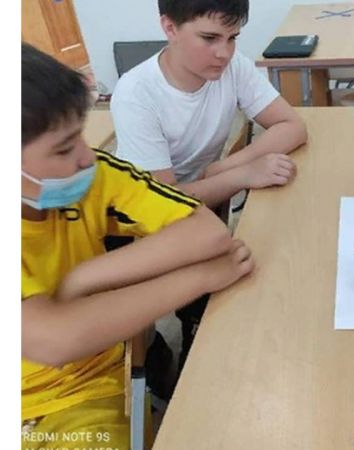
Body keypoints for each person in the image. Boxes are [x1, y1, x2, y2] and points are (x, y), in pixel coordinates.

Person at [21, 43, 254, 449]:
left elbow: (206, 232)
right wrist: (198, 277)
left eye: (79, 136)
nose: (86, 157)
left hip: (84, 390)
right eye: (63, 149)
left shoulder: (97, 174)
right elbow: (55, 339)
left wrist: (85, 276)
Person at [110, 0, 307, 372]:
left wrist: (224, 167)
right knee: (215, 291)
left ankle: (189, 336)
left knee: (264, 265)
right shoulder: (136, 94)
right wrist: (241, 175)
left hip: (200, 200)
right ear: (170, 28)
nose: (224, 53)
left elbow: (292, 126)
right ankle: (168, 357)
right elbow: (162, 204)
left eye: (233, 38)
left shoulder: (234, 67)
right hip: (141, 218)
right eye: (210, 38)